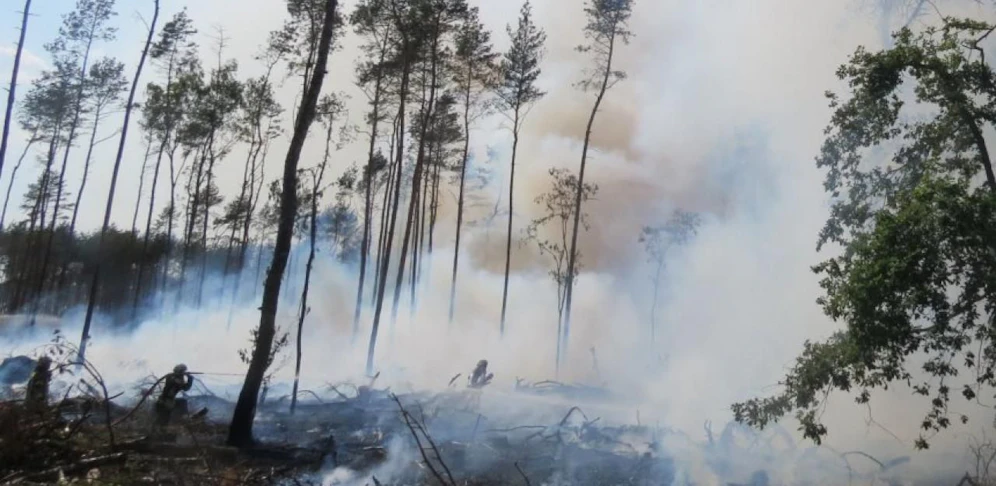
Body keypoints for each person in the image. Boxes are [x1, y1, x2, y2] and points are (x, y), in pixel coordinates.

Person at [153, 364, 194, 433]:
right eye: (182, 371)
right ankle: (156, 433)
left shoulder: (177, 378)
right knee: (162, 418)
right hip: (164, 401)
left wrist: (190, 379)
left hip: (169, 401)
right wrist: (188, 378)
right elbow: (179, 383)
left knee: (165, 419)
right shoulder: (171, 377)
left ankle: (160, 433)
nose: (183, 372)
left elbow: (186, 388)